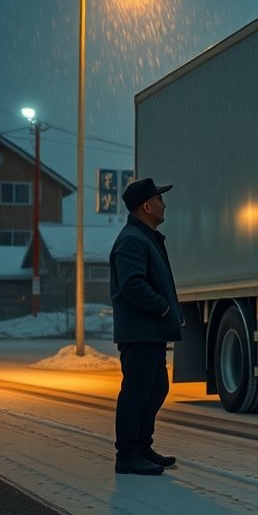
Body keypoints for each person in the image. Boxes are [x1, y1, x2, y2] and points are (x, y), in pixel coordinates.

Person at [109, 176, 185, 475]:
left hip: (149, 331)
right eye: (160, 199)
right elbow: (132, 285)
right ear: (147, 205)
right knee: (137, 392)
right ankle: (127, 455)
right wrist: (164, 306)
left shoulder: (145, 237)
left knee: (155, 389)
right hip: (139, 332)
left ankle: (141, 447)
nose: (164, 205)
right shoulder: (132, 240)